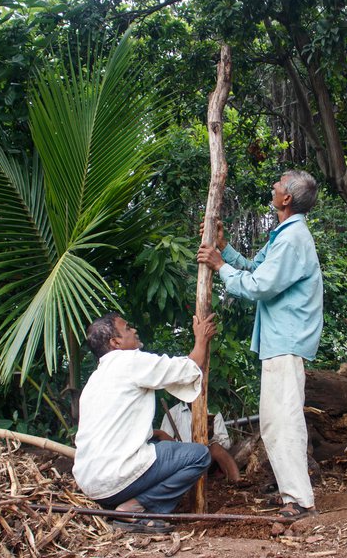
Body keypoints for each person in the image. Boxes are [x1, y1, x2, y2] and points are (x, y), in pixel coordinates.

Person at [196, 169, 323, 520]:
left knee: (282, 421)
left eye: (278, 184)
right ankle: (292, 496)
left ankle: (299, 501)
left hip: (286, 340)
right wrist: (225, 251)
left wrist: (220, 265)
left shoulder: (293, 238)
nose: (273, 185)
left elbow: (258, 286)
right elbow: (256, 268)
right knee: (274, 420)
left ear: (287, 199)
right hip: (279, 340)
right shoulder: (285, 236)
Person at [72, 312, 217, 534]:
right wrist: (201, 339)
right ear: (115, 342)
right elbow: (190, 367)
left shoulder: (96, 378)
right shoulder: (129, 361)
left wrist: (156, 433)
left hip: (92, 484)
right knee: (199, 455)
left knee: (158, 449)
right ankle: (135, 507)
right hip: (115, 478)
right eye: (128, 328)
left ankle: (120, 505)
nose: (134, 330)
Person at [156, 402, 241, 482]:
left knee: (215, 447)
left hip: (207, 460)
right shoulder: (172, 413)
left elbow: (226, 443)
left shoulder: (212, 411)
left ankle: (236, 480)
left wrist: (211, 436)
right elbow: (165, 447)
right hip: (182, 461)